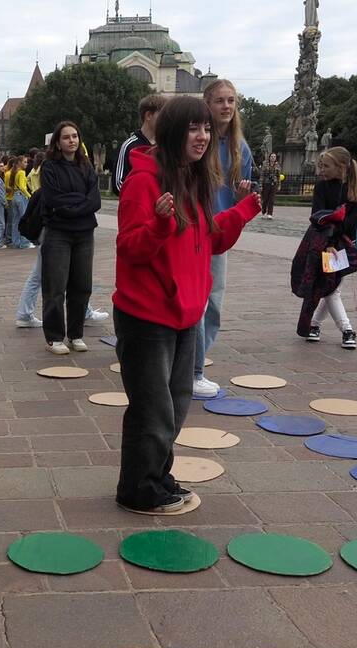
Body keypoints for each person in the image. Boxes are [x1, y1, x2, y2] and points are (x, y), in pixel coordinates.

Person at [114, 96, 259, 513]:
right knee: (152, 409)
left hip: (185, 315)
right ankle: (138, 489)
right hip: (147, 315)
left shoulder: (192, 180)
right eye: (194, 128)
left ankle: (157, 474)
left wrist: (245, 210)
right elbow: (130, 249)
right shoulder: (144, 182)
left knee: (175, 407)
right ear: (176, 131)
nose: (203, 136)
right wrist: (159, 224)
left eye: (207, 129)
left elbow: (209, 239)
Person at [194, 79, 253, 398]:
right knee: (194, 299)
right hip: (193, 230)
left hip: (219, 234)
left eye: (231, 100)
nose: (227, 106)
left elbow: (245, 187)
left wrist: (243, 196)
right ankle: (192, 368)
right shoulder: (197, 139)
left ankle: (196, 358)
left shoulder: (239, 146)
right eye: (220, 101)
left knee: (213, 301)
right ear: (207, 103)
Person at [292, 146, 357, 348]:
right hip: (323, 242)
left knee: (331, 286)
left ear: (341, 166)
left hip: (345, 243)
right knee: (331, 288)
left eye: (325, 166)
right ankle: (347, 329)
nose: (321, 170)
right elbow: (318, 215)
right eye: (320, 166)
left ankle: (314, 324)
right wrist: (329, 242)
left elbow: (355, 218)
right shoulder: (322, 186)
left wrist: (337, 231)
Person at [40, 121, 101, 355]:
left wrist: (73, 204)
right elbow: (55, 201)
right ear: (58, 141)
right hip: (58, 233)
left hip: (85, 233)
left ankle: (76, 334)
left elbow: (94, 201)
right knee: (55, 286)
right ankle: (55, 337)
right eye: (66, 137)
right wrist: (79, 204)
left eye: (75, 136)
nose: (72, 141)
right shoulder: (50, 167)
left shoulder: (86, 166)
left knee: (82, 285)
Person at [114, 94, 167, 197]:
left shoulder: (165, 146)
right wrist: (143, 199)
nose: (167, 120)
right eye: (163, 115)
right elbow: (118, 183)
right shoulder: (129, 146)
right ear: (148, 116)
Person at [6, 156, 33, 249]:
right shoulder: (21, 172)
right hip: (21, 196)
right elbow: (22, 186)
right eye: (25, 162)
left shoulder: (15, 172)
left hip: (14, 196)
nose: (26, 164)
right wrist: (29, 196)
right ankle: (24, 243)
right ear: (20, 163)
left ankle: (15, 242)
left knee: (15, 220)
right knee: (24, 220)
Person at [259, 152, 281, 219]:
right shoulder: (265, 164)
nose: (273, 158)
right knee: (265, 198)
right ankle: (263, 212)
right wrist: (261, 185)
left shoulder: (277, 165)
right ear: (269, 157)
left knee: (271, 199)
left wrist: (279, 185)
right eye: (272, 156)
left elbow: (279, 176)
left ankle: (270, 213)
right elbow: (262, 175)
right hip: (266, 183)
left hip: (274, 183)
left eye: (274, 157)